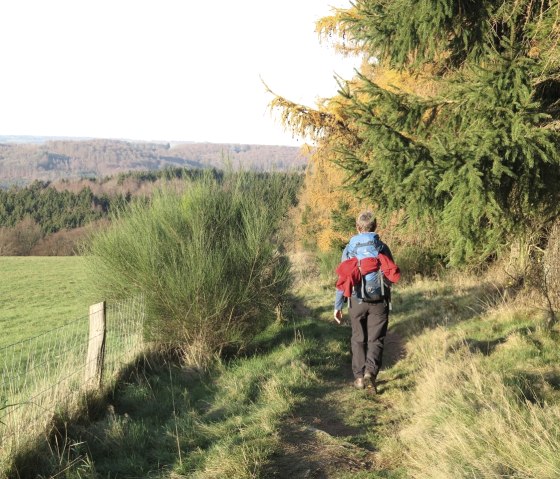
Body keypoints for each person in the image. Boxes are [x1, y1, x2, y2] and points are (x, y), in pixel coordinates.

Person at [334, 211, 400, 392]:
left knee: (358, 338)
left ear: (357, 228)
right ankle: (370, 372)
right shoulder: (381, 247)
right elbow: (389, 273)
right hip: (379, 300)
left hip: (356, 300)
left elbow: (344, 277)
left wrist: (338, 305)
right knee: (376, 338)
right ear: (375, 226)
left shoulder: (350, 249)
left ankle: (359, 378)